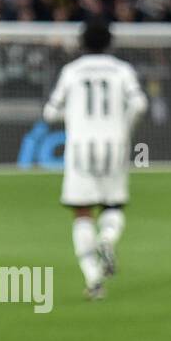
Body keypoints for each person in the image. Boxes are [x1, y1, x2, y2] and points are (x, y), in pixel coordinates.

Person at [43, 18, 147, 299]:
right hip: (115, 144)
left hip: (80, 147)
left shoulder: (72, 71)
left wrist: (74, 117)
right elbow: (139, 104)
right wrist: (123, 128)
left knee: (82, 211)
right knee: (113, 205)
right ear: (109, 42)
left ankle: (94, 281)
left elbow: (50, 113)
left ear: (82, 42)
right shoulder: (122, 70)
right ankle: (107, 239)